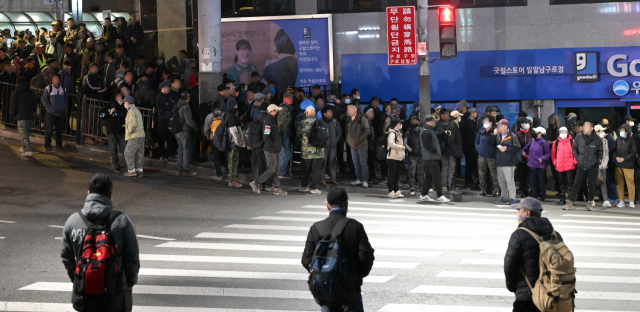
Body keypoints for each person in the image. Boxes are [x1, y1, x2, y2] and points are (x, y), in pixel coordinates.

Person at [61, 172, 140, 312]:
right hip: (115, 296)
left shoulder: (73, 221)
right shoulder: (121, 221)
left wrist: (79, 280)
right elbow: (132, 258)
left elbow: (66, 257)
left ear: (88, 193)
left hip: (85, 296)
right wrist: (127, 284)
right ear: (110, 195)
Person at [301, 188, 374, 312]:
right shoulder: (355, 226)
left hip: (325, 289)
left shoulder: (316, 228)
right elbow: (366, 255)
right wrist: (357, 275)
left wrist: (321, 272)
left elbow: (306, 259)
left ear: (328, 207)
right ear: (346, 205)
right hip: (350, 289)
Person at [504, 197, 562, 312]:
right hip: (550, 295)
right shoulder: (555, 234)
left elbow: (509, 266)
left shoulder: (519, 235)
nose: (517, 215)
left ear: (527, 213)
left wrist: (513, 287)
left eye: (519, 211)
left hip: (526, 297)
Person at [563, 121, 603, 211]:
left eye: (586, 127)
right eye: (584, 127)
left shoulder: (597, 139)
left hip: (593, 165)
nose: (584, 128)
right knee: (576, 184)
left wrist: (598, 162)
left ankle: (590, 203)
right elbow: (574, 148)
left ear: (591, 128)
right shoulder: (579, 137)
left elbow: (600, 152)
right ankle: (570, 202)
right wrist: (578, 159)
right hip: (581, 165)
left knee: (592, 185)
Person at [251, 104, 286, 195]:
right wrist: (272, 146)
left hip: (275, 149)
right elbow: (266, 136)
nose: (277, 112)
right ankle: (255, 182)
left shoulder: (272, 120)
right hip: (271, 149)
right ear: (272, 111)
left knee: (276, 170)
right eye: (276, 111)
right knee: (271, 169)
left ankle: (276, 188)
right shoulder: (268, 121)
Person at [490, 119, 521, 205]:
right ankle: (504, 197)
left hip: (509, 162)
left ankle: (512, 198)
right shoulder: (498, 135)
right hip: (499, 161)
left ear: (504, 126)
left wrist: (507, 148)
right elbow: (490, 144)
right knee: (501, 181)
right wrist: (493, 135)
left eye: (499, 125)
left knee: (509, 181)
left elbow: (517, 148)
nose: (498, 127)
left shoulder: (512, 136)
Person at [420, 115, 450, 202]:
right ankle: (439, 195)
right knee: (437, 177)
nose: (435, 123)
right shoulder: (426, 131)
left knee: (428, 177)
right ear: (429, 122)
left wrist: (444, 133)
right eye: (434, 121)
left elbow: (435, 136)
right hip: (431, 158)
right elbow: (426, 145)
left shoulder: (429, 130)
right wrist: (435, 151)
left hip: (430, 157)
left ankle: (423, 195)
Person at [262, 29, 298, 98]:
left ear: (277, 44)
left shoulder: (269, 69)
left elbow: (263, 91)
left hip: (275, 104)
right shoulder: (302, 66)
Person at [298, 106, 325, 194]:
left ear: (306, 113)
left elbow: (299, 134)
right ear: (315, 113)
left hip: (306, 151)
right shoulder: (320, 122)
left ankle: (304, 186)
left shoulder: (302, 123)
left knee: (306, 169)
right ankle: (313, 187)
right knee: (316, 170)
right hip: (318, 151)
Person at [9, 77, 37, 157]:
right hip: (30, 115)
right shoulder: (31, 92)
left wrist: (12, 114)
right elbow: (35, 104)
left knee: (23, 134)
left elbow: (13, 105)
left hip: (21, 116)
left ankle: (29, 149)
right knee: (25, 132)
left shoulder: (16, 92)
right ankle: (23, 147)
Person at [521, 127, 551, 201]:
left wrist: (542, 159)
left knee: (541, 181)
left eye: (536, 132)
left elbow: (548, 154)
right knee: (531, 181)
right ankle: (534, 195)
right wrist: (523, 152)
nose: (534, 133)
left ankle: (542, 196)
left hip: (540, 166)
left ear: (540, 134)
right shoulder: (532, 141)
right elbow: (524, 148)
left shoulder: (544, 143)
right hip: (531, 164)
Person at [346, 103, 371, 188]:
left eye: (350, 109)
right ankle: (359, 179)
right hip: (353, 145)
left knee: (363, 162)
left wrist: (359, 138)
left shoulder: (362, 118)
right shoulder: (349, 119)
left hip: (362, 144)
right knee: (356, 163)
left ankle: (365, 180)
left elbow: (367, 130)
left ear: (355, 110)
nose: (348, 111)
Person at [100, 93, 127, 172]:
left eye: (120, 96)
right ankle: (115, 165)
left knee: (124, 148)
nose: (119, 97)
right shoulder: (110, 105)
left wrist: (122, 106)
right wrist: (110, 113)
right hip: (112, 130)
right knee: (113, 148)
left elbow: (127, 115)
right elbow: (101, 114)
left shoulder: (124, 105)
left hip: (121, 131)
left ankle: (129, 165)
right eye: (117, 96)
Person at [612, 123, 637, 208]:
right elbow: (614, 150)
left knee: (630, 183)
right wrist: (616, 158)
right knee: (619, 183)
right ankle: (621, 201)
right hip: (618, 165)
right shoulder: (618, 139)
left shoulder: (631, 140)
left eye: (622, 130)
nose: (621, 132)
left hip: (628, 165)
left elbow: (633, 152)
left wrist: (624, 159)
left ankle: (631, 201)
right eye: (620, 130)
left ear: (627, 132)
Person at [41, 74, 68, 152]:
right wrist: (49, 108)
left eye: (57, 79)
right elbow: (44, 99)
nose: (55, 80)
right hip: (51, 113)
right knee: (49, 130)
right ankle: (47, 145)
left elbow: (66, 99)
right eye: (54, 79)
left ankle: (59, 145)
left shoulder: (63, 88)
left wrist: (64, 106)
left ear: (59, 80)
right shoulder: (48, 88)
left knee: (59, 130)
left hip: (60, 113)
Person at [174, 91, 199, 176]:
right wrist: (195, 126)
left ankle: (179, 168)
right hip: (184, 130)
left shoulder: (177, 105)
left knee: (180, 149)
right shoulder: (186, 107)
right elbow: (189, 121)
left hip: (177, 130)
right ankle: (186, 169)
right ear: (188, 97)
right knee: (186, 150)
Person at [551, 127, 576, 206]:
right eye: (561, 131)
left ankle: (571, 199)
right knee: (561, 183)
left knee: (570, 183)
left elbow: (576, 152)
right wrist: (555, 162)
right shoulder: (556, 142)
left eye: (564, 131)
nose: (563, 133)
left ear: (568, 132)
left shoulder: (572, 141)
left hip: (570, 165)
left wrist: (574, 161)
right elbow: (553, 154)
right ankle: (562, 199)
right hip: (560, 165)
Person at [475, 114, 499, 197]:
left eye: (486, 121)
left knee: (494, 174)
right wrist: (479, 149)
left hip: (492, 156)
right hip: (481, 155)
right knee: (481, 173)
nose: (484, 122)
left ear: (491, 122)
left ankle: (496, 190)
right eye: (484, 121)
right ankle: (483, 190)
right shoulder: (481, 130)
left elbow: (497, 143)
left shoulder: (495, 131)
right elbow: (476, 141)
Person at [123, 96, 145, 177]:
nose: (124, 104)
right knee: (139, 153)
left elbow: (132, 124)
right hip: (141, 135)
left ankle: (131, 170)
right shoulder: (136, 110)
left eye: (125, 102)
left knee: (128, 153)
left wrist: (128, 133)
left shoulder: (131, 111)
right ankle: (139, 169)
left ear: (128, 102)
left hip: (134, 135)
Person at [156, 80, 177, 161]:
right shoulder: (159, 97)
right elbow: (165, 108)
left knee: (170, 138)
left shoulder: (170, 96)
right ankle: (162, 154)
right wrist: (170, 109)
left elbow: (173, 105)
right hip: (163, 121)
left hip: (171, 120)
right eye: (167, 87)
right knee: (162, 138)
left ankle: (170, 153)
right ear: (163, 88)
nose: (169, 89)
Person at [386, 117, 406, 199]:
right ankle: (391, 190)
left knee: (397, 174)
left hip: (398, 156)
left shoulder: (398, 133)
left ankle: (396, 189)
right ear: (397, 124)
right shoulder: (392, 133)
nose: (401, 124)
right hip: (392, 156)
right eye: (400, 123)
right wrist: (401, 147)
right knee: (392, 174)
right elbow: (391, 143)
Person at [322, 106, 342, 185]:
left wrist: (336, 140)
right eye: (329, 112)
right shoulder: (321, 122)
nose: (331, 114)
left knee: (332, 162)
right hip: (324, 146)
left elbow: (339, 132)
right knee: (323, 162)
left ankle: (333, 178)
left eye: (331, 112)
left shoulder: (334, 121)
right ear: (324, 114)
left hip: (333, 146)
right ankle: (322, 178)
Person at [443, 110, 463, 191]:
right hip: (452, 152)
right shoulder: (452, 126)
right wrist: (456, 149)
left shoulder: (453, 125)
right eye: (459, 116)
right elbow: (451, 140)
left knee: (451, 169)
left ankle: (450, 185)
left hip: (451, 151)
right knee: (451, 169)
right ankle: (449, 185)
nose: (460, 118)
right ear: (457, 117)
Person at [405, 115, 423, 196]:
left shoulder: (422, 131)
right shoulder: (409, 131)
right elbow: (405, 143)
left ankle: (421, 186)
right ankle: (412, 186)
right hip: (412, 155)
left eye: (415, 120)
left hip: (420, 154)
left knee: (421, 171)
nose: (413, 122)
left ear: (418, 122)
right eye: (412, 121)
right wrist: (410, 150)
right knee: (411, 171)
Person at [277, 91, 294, 177]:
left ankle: (282, 171)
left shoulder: (287, 108)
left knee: (286, 153)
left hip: (286, 134)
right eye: (289, 97)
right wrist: (283, 134)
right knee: (284, 153)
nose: (291, 99)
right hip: (284, 135)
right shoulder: (283, 109)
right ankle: (281, 171)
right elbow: (281, 123)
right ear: (285, 98)